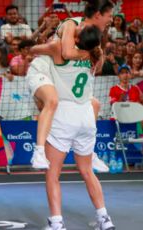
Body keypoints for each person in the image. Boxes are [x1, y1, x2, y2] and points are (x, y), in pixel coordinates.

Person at [31, 25, 115, 230]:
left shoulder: (60, 50)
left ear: (77, 40)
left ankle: (57, 223)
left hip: (65, 115)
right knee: (87, 170)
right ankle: (105, 219)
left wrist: (55, 37)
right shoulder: (96, 57)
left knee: (52, 174)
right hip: (86, 114)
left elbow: (33, 50)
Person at [28, 0, 114, 171]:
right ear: (98, 15)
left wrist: (95, 55)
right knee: (52, 101)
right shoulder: (71, 24)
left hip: (58, 73)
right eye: (109, 16)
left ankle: (89, 152)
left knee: (94, 104)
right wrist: (88, 53)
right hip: (43, 70)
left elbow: (96, 66)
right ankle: (38, 152)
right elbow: (66, 53)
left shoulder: (93, 35)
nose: (111, 19)